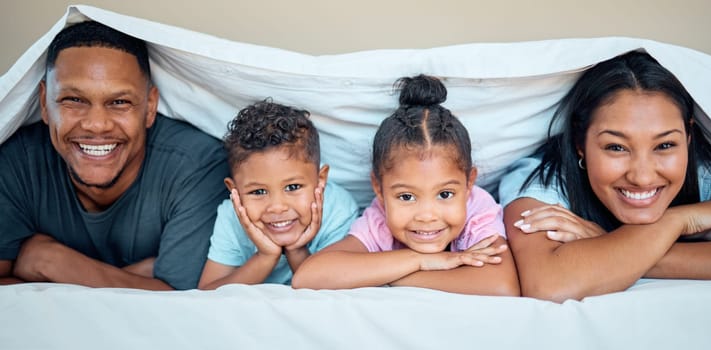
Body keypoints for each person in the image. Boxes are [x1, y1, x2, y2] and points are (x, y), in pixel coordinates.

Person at [498, 51, 711, 302]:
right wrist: (677, 221)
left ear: (688, 137)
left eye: (665, 145)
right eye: (616, 147)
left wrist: (612, 246)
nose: (643, 177)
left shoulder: (708, 174)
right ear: (579, 142)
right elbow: (550, 285)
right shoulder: (541, 181)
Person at [0, 21, 229, 290]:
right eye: (74, 100)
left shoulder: (196, 166)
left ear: (150, 107)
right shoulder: (18, 163)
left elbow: (181, 305)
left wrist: (52, 262)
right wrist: (139, 279)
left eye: (119, 102)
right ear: (44, 104)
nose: (97, 124)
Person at [293, 75, 520, 296]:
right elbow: (309, 276)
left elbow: (500, 286)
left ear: (469, 184)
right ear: (379, 189)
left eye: (445, 194)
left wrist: (384, 275)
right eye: (406, 197)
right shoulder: (380, 220)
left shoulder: (476, 210)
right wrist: (421, 261)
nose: (427, 216)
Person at [198, 100, 358, 289]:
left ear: (320, 180)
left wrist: (297, 251)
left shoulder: (337, 209)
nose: (277, 206)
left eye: (292, 187)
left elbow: (332, 290)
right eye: (258, 191)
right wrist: (265, 257)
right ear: (234, 192)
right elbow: (206, 294)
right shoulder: (232, 217)